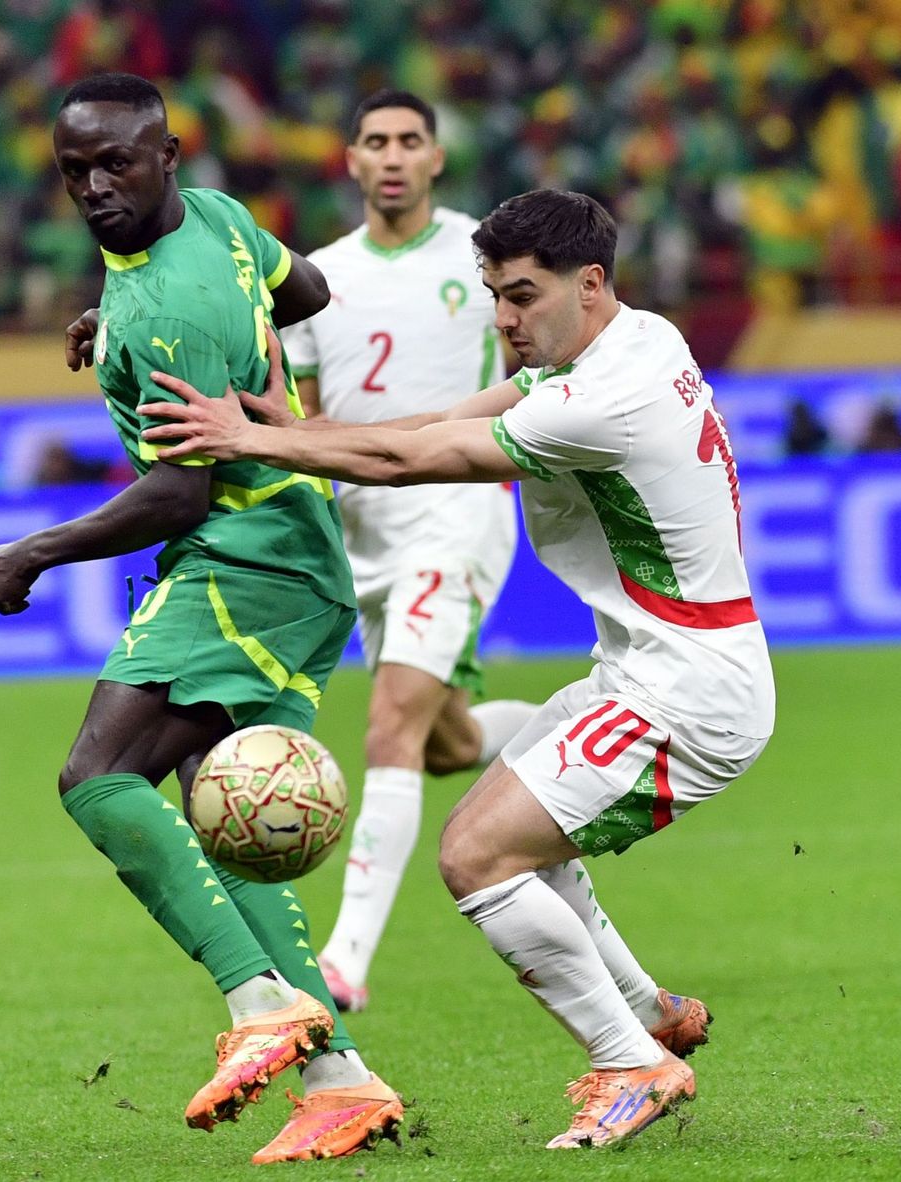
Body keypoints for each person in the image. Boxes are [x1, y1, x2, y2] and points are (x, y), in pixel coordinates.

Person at [140, 189, 776, 1151]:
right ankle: (646, 1011)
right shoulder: (636, 339)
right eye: (493, 294)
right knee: (517, 832)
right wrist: (290, 425)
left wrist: (253, 439)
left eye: (523, 296)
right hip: (654, 668)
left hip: (687, 693)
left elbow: (414, 458)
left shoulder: (603, 400)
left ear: (589, 284)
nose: (504, 320)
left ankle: (629, 1061)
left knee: (477, 856)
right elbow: (437, 416)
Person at [0, 74, 402, 1165]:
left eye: (116, 162)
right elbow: (300, 293)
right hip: (298, 558)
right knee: (219, 825)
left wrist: (34, 550)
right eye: (75, 170)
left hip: (241, 557)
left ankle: (257, 1001)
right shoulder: (214, 221)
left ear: (166, 153)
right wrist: (137, 320)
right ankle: (339, 1079)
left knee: (98, 777)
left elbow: (177, 493)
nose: (95, 187)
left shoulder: (163, 305)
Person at [277, 89, 536, 1012]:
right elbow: (298, 419)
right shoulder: (311, 279)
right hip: (363, 531)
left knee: (389, 721)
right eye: (375, 141)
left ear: (436, 158)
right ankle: (553, 735)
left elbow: (539, 372)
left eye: (410, 141)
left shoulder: (484, 259)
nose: (392, 156)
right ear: (350, 160)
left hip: (455, 512)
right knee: (442, 740)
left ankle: (343, 961)